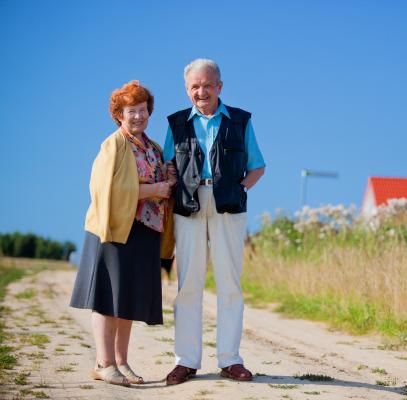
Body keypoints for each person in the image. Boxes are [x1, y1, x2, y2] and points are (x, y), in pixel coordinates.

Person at [163, 58, 265, 385]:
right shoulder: (176, 123)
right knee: (187, 285)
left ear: (220, 87)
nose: (202, 91)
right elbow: (168, 167)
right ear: (187, 89)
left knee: (229, 284)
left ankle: (230, 360)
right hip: (188, 206)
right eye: (195, 86)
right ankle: (186, 361)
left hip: (228, 207)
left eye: (208, 85)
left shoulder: (240, 120)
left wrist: (240, 189)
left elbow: (257, 166)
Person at [70, 80, 175, 386]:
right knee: (106, 298)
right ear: (119, 114)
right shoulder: (113, 145)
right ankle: (104, 363)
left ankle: (121, 362)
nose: (138, 116)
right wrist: (154, 189)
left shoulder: (152, 147)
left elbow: (162, 184)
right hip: (113, 230)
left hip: (143, 232)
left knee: (126, 299)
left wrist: (167, 179)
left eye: (142, 110)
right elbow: (104, 189)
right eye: (132, 111)